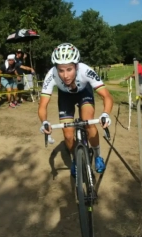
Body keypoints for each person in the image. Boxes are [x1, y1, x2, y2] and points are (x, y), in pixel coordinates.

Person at [38, 43, 113, 177]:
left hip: (84, 93)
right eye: (61, 70)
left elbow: (106, 96)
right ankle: (75, 160)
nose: (65, 75)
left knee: (88, 122)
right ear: (56, 69)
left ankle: (97, 156)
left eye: (69, 69)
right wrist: (44, 121)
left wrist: (106, 114)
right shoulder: (51, 75)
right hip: (65, 97)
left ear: (76, 66)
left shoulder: (85, 70)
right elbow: (43, 105)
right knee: (67, 134)